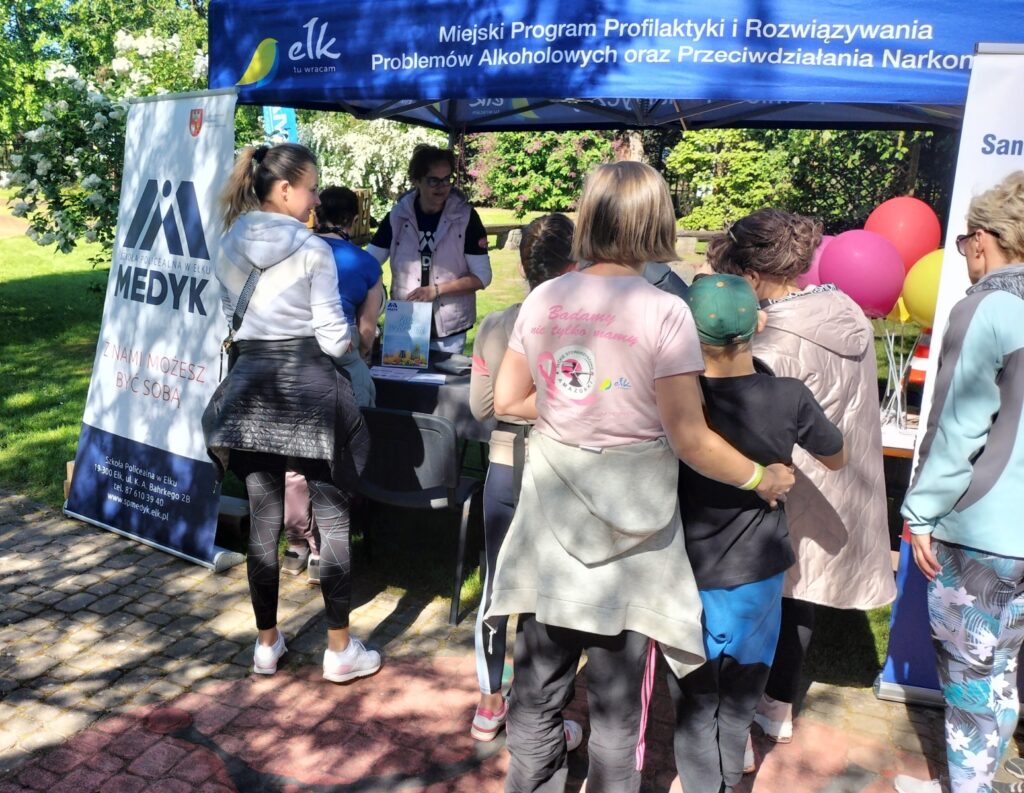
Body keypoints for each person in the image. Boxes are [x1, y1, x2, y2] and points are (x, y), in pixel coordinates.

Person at [485, 162, 795, 793]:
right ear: (657, 222)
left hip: (550, 529)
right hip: (634, 543)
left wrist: (575, 405)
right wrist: (759, 476)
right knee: (617, 709)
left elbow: (508, 399)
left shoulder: (545, 298)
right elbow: (690, 438)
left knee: (536, 694)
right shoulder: (666, 312)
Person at [707, 209, 896, 742]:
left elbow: (741, 416)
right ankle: (779, 705)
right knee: (804, 589)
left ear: (752, 275)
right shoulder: (844, 309)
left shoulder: (776, 342)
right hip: (835, 472)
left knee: (769, 598)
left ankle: (742, 716)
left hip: (786, 479)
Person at [202, 143, 380, 684]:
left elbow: (226, 323)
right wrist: (359, 344)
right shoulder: (313, 249)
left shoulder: (227, 241)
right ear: (284, 190)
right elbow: (332, 339)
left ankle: (265, 645)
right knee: (333, 518)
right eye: (311, 188)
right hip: (311, 391)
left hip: (251, 391)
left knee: (263, 520)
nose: (316, 199)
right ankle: (339, 650)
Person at [671, 273, 846, 793]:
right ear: (760, 323)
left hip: (688, 575)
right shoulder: (788, 395)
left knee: (695, 706)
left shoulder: (679, 404)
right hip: (758, 577)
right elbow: (836, 455)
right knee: (738, 705)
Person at [893, 172, 1024, 793]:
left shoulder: (988, 306)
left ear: (984, 239)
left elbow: (956, 428)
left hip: (982, 530)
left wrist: (919, 512)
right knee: (1004, 672)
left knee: (972, 678)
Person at [468, 213, 578, 745]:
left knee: (496, 584)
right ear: (573, 266)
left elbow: (480, 407)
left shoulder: (495, 325)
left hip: (505, 466)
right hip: (560, 470)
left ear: (521, 265)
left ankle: (489, 702)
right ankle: (540, 712)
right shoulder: (583, 329)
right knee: (553, 591)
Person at [281, 186, 384, 584]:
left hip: (294, 357)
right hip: (340, 358)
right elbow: (366, 333)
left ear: (317, 212)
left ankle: (295, 544)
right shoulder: (366, 264)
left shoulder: (293, 251)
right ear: (353, 220)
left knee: (295, 458)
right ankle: (323, 551)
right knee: (337, 457)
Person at [366, 144, 491, 353]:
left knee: (443, 376)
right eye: (434, 180)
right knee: (401, 375)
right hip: (405, 322)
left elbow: (482, 277)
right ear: (416, 181)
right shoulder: (398, 216)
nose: (442, 187)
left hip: (449, 329)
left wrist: (437, 290)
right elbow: (368, 262)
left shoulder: (466, 217)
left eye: (447, 179)